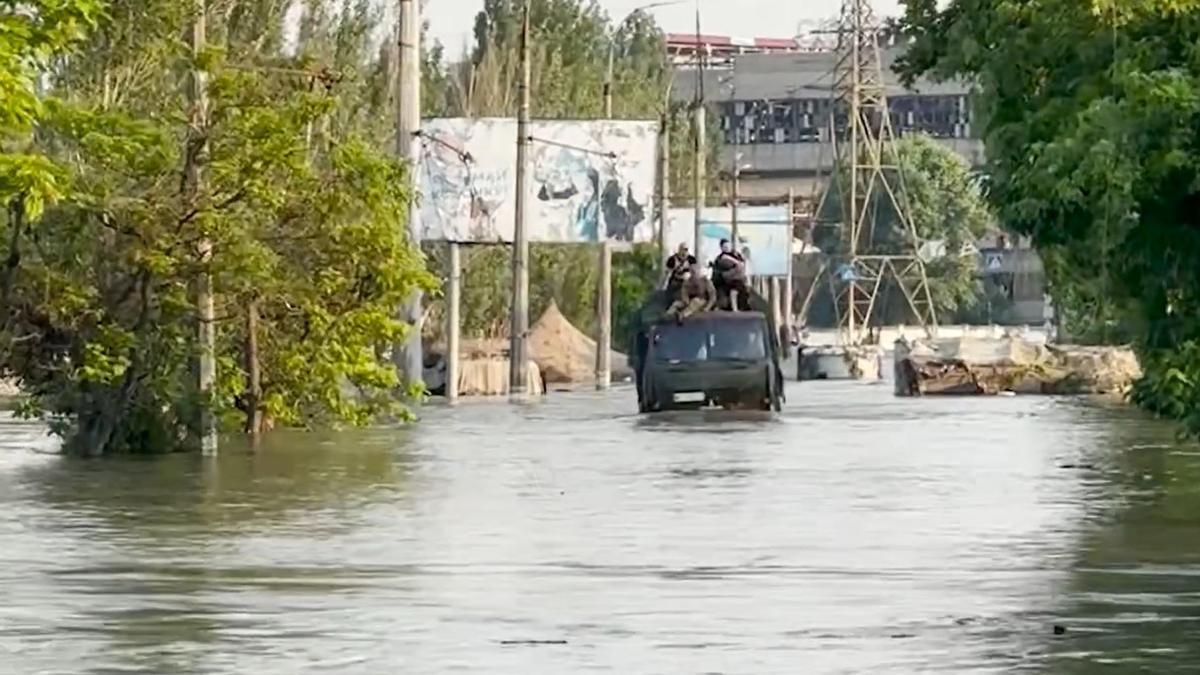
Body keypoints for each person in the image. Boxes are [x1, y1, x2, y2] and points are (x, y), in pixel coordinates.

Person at [710, 239, 749, 310]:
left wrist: (736, 263)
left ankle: (738, 308)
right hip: (723, 281)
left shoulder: (736, 255)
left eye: (728, 246)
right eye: (725, 246)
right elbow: (720, 273)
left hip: (736, 280)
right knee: (730, 294)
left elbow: (742, 265)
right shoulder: (720, 258)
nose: (727, 248)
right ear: (721, 248)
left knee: (740, 288)